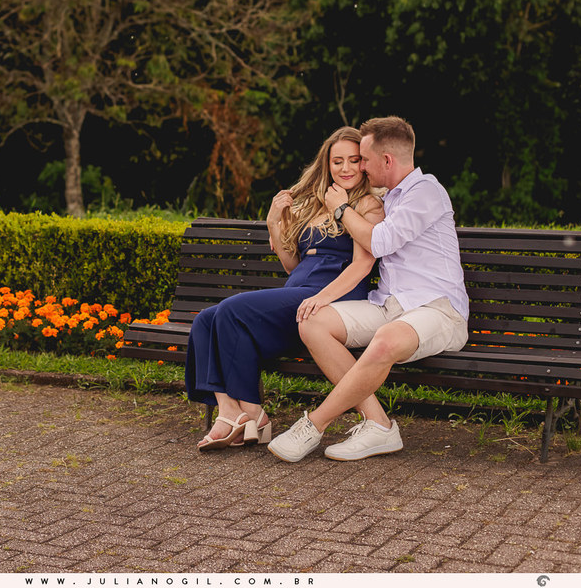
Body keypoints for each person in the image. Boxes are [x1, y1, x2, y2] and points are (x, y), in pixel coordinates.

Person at [267, 115, 468, 463]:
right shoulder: (386, 197)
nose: (360, 167)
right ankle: (379, 425)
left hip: (438, 310)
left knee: (387, 339)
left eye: (364, 159)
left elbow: (381, 241)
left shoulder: (426, 192)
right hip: (389, 306)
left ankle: (313, 425)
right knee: (313, 322)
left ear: (386, 160)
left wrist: (341, 208)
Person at [186, 126, 385, 451]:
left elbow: (362, 264)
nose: (346, 168)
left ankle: (252, 413)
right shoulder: (317, 203)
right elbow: (294, 266)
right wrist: (273, 224)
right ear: (327, 164)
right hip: (299, 292)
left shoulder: (368, 206)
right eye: (338, 161)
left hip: (334, 298)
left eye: (354, 160)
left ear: (365, 164)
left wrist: (321, 297)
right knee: (205, 320)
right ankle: (228, 411)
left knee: (233, 311)